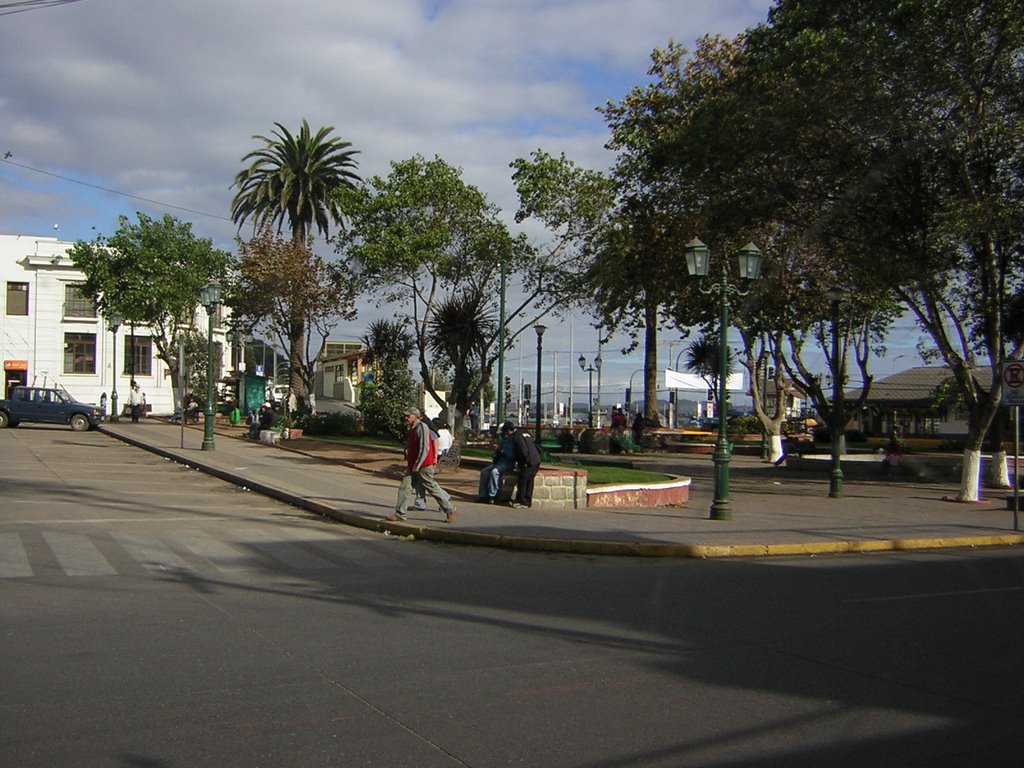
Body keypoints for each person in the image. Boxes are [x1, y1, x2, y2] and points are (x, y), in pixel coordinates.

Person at [388, 407, 456, 523]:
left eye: (408, 416)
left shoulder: (422, 427)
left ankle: (449, 509)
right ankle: (400, 513)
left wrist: (418, 464)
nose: (406, 418)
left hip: (423, 466)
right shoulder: (413, 428)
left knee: (431, 487)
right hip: (414, 466)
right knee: (405, 488)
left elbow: (424, 447)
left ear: (415, 416)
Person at [477, 421, 517, 503]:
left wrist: (501, 450)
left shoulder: (512, 440)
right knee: (484, 472)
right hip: (499, 461)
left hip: (508, 462)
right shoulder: (502, 440)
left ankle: (493, 495)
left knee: (494, 472)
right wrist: (496, 452)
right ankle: (483, 495)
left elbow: (511, 455)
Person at [508, 422, 542, 508]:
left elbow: (522, 449)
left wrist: (526, 461)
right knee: (530, 481)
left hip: (529, 460)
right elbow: (535, 446)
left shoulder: (516, 436)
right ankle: (527, 501)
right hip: (536, 459)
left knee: (523, 480)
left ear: (508, 430)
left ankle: (521, 500)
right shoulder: (524, 433)